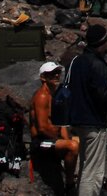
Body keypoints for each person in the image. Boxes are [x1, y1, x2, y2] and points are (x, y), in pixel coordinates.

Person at [67, 23, 107, 196]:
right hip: (93, 121)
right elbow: (100, 93)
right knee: (93, 171)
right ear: (103, 42)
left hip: (78, 119)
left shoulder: (77, 61)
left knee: (84, 166)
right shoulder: (96, 64)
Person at [29, 61, 80, 194]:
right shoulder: (42, 96)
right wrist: (61, 141)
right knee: (72, 146)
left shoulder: (56, 96)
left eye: (58, 72)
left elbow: (60, 123)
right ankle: (70, 183)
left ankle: (78, 178)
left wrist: (65, 138)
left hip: (52, 139)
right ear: (43, 77)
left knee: (80, 141)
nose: (56, 75)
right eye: (52, 73)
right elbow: (42, 128)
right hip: (40, 142)